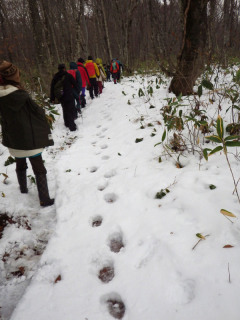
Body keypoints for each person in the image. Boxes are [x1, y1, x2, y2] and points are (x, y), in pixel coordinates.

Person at [0, 60, 54, 207]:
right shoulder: (22, 96)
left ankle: (23, 189)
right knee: (38, 167)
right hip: (30, 138)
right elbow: (37, 112)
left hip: (13, 138)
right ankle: (44, 198)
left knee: (20, 162)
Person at [50, 64, 80, 131]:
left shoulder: (55, 77)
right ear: (64, 68)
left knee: (65, 109)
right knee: (70, 109)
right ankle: (72, 126)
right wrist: (78, 91)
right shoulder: (68, 75)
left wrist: (52, 98)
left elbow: (52, 88)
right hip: (69, 95)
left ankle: (66, 123)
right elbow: (74, 83)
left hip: (61, 96)